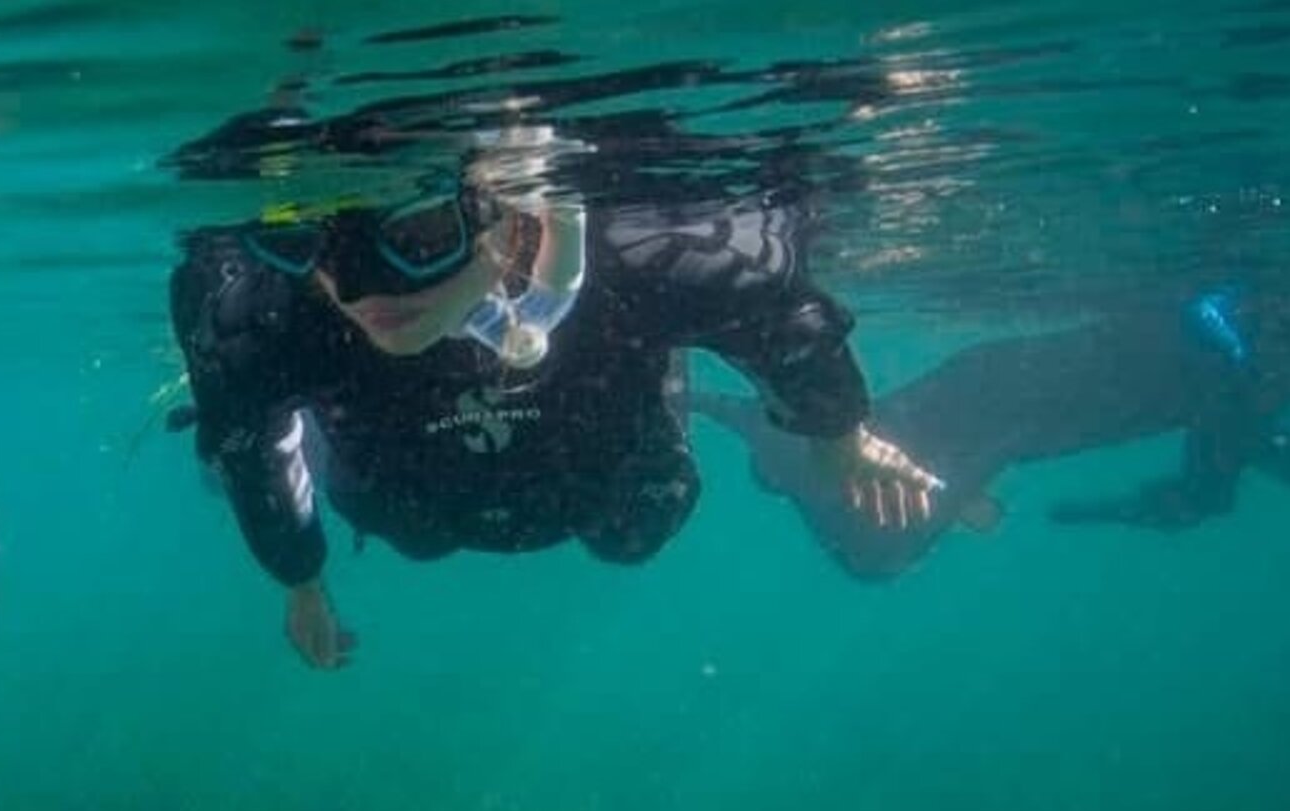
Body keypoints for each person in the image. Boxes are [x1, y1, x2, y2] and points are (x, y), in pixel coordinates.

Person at [168, 134, 940, 668]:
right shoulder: (275, 315)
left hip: (605, 464)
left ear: (509, 216)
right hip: (412, 490)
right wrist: (298, 574)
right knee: (412, 529)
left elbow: (777, 318)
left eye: (422, 229)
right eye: (306, 233)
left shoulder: (641, 255)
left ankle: (655, 386)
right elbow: (252, 449)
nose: (360, 284)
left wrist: (837, 432)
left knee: (639, 527)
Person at [691, 285, 1290, 580]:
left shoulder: (1245, 361)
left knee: (877, 544)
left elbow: (1229, 444)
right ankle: (779, 445)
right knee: (876, 552)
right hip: (1019, 402)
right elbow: (1226, 449)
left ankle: (776, 443)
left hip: (1011, 389)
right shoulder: (1250, 366)